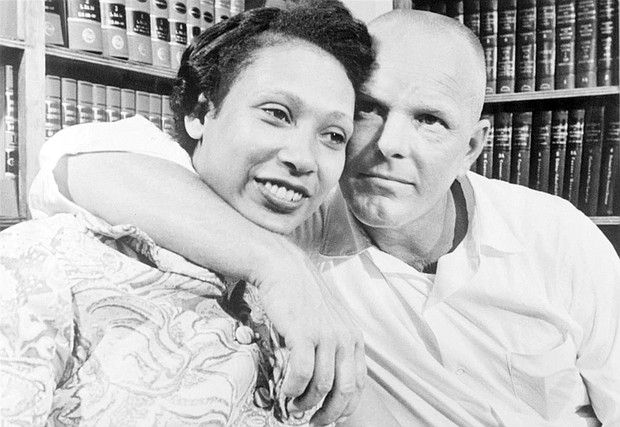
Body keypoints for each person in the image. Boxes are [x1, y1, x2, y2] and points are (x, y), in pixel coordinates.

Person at [25, 8, 620, 427]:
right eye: (366, 113)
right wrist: (281, 265)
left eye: (430, 120)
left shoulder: (559, 236)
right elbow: (75, 159)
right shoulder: (289, 212)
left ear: (472, 147)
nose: (390, 144)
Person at [0, 2, 378, 425]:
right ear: (200, 113)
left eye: (332, 135)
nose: (304, 158)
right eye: (276, 114)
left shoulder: (311, 304)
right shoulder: (47, 262)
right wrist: (277, 263)